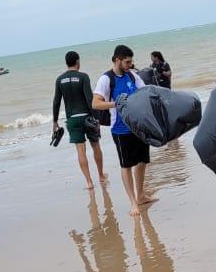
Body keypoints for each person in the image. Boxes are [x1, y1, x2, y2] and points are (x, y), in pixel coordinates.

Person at [93, 45, 154, 216]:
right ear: (117, 60)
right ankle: (133, 202)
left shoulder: (132, 76)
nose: (130, 64)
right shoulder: (106, 79)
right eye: (127, 61)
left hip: (139, 126)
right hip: (121, 130)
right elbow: (95, 103)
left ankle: (140, 195)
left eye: (131, 61)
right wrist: (116, 104)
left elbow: (145, 92)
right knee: (126, 165)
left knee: (142, 161)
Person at [53, 51, 108, 190]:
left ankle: (89, 182)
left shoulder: (59, 79)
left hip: (72, 119)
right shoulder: (83, 77)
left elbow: (56, 102)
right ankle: (101, 175)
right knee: (95, 146)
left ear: (66, 63)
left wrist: (55, 121)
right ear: (77, 61)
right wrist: (96, 117)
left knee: (80, 150)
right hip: (87, 117)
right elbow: (90, 99)